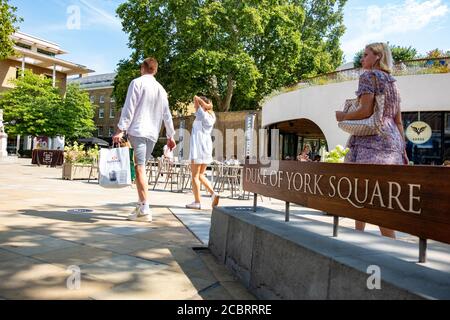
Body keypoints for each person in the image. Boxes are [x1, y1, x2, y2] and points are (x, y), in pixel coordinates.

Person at [335, 42, 408, 239]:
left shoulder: (368, 76)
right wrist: (402, 149)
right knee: (380, 196)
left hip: (371, 140)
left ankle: (381, 240)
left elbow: (365, 110)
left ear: (377, 56)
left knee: (365, 194)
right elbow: (398, 121)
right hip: (392, 141)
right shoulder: (393, 83)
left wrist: (343, 116)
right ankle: (383, 240)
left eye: (365, 54)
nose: (362, 58)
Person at [113, 57, 176, 222]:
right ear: (155, 70)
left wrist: (120, 130)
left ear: (143, 68)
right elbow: (167, 115)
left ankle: (145, 208)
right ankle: (141, 205)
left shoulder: (137, 83)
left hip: (139, 130)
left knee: (139, 169)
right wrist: (170, 135)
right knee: (141, 168)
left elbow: (129, 107)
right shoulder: (161, 89)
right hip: (152, 134)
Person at [186, 96, 219, 210]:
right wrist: (207, 106)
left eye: (197, 105)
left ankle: (197, 202)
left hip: (198, 147)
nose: (194, 106)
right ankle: (214, 193)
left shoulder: (201, 114)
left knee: (195, 176)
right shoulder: (211, 116)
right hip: (206, 147)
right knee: (200, 175)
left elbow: (195, 97)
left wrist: (205, 105)